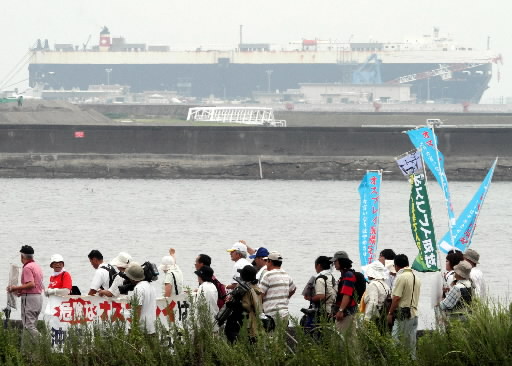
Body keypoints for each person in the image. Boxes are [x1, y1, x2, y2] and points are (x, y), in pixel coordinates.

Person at [387, 254, 421, 359]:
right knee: (411, 345)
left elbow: (396, 298)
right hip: (414, 314)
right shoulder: (416, 277)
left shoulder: (401, 277)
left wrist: (390, 313)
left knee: (396, 342)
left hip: (403, 315)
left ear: (396, 266)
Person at [6, 245, 44, 337]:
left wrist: (15, 288)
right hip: (38, 297)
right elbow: (36, 285)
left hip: (30, 299)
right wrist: (20, 292)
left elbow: (31, 284)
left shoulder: (27, 267)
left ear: (22, 256)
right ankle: (30, 349)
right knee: (32, 324)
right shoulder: (37, 266)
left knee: (28, 326)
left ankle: (44, 342)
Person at [224, 265, 264, 343]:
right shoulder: (257, 289)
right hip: (252, 324)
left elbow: (247, 306)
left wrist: (235, 304)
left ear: (244, 276)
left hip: (244, 323)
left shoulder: (247, 290)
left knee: (236, 341)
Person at [259, 251, 296, 323]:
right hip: (284, 313)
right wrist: (286, 298)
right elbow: (293, 289)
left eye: (267, 261)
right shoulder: (286, 274)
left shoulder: (268, 275)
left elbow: (260, 294)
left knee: (271, 334)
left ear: (270, 262)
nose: (266, 263)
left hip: (271, 315)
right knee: (281, 334)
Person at [125, 262, 157, 335]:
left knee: (138, 346)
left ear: (133, 278)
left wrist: (134, 327)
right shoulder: (151, 286)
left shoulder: (138, 288)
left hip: (142, 327)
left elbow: (138, 308)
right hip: (152, 326)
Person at [331, 251, 358, 332]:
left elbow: (347, 294)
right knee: (349, 338)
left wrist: (341, 311)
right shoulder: (345, 275)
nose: (334, 264)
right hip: (347, 311)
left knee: (343, 338)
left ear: (341, 261)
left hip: (347, 313)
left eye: (335, 261)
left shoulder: (348, 275)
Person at [361, 260, 391, 333]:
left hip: (375, 318)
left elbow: (373, 302)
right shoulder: (385, 285)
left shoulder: (373, 284)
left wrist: (367, 319)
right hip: (383, 315)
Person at [194, 266, 219, 331]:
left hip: (204, 323)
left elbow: (199, 305)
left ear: (201, 276)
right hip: (214, 320)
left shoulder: (202, 287)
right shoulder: (212, 286)